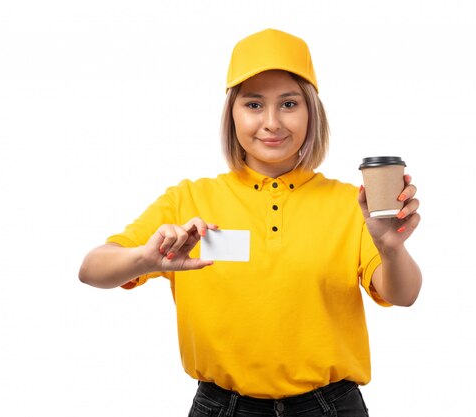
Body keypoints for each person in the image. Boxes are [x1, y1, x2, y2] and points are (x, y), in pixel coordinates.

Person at [79, 28, 422, 417]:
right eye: (254, 105)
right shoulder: (188, 200)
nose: (272, 122)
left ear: (311, 111)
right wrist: (145, 258)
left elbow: (402, 294)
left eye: (289, 103)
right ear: (233, 113)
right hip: (223, 408)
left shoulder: (348, 204)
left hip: (330, 407)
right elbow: (92, 269)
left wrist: (391, 248)